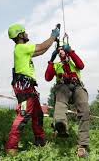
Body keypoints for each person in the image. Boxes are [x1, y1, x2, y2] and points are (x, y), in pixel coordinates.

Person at [5, 24, 60, 156]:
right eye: (25, 32)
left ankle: (40, 141)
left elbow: (40, 51)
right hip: (24, 87)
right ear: (20, 35)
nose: (27, 34)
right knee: (23, 115)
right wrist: (53, 36)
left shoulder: (23, 50)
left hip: (28, 86)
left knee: (37, 114)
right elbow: (41, 46)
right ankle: (11, 148)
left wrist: (53, 49)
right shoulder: (21, 48)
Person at [45, 44, 90, 158]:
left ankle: (83, 145)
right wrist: (51, 61)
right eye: (58, 51)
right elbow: (48, 77)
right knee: (60, 99)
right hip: (63, 88)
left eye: (62, 50)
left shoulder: (72, 62)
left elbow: (81, 65)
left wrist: (71, 51)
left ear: (66, 51)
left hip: (76, 87)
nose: (61, 52)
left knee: (84, 109)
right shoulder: (57, 65)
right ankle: (61, 125)